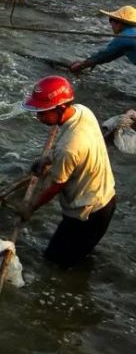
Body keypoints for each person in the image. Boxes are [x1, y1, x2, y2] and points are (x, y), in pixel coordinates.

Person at [19, 76, 117, 268]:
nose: (39, 118)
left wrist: (31, 206)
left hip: (88, 213)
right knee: (78, 255)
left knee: (54, 263)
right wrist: (47, 159)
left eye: (43, 113)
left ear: (61, 108)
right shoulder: (82, 112)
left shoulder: (69, 148)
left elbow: (56, 185)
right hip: (104, 198)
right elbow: (67, 148)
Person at [69, 5, 136, 74]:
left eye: (111, 20)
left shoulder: (125, 37)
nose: (111, 25)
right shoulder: (130, 35)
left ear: (119, 23)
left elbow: (104, 55)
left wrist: (80, 66)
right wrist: (91, 62)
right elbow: (111, 55)